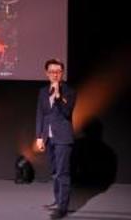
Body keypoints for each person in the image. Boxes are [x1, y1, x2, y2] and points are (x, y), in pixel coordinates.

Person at [35, 59, 76, 219]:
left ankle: (62, 208)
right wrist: (39, 136)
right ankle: (58, 200)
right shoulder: (43, 91)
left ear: (62, 73)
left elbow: (67, 112)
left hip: (63, 138)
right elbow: (40, 114)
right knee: (54, 172)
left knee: (62, 173)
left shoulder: (69, 91)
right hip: (48, 137)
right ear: (47, 73)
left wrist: (58, 95)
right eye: (52, 72)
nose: (55, 75)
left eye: (58, 72)